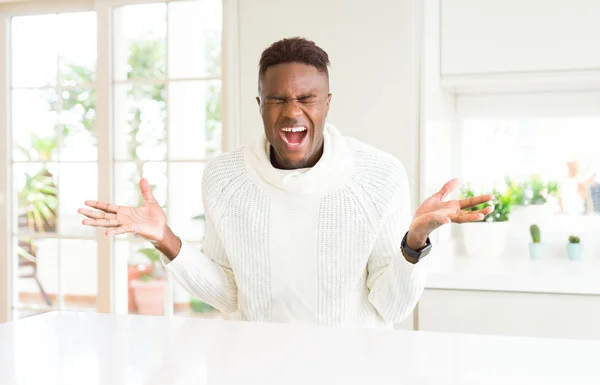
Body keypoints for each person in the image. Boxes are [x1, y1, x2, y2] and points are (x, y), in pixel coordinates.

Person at [79, 37, 492, 329]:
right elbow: (231, 293)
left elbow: (390, 307)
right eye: (277, 99)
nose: (291, 111)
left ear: (327, 103)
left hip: (352, 372)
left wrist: (414, 240)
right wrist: (165, 237)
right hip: (255, 368)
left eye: (307, 98)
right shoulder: (224, 178)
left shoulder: (379, 175)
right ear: (260, 104)